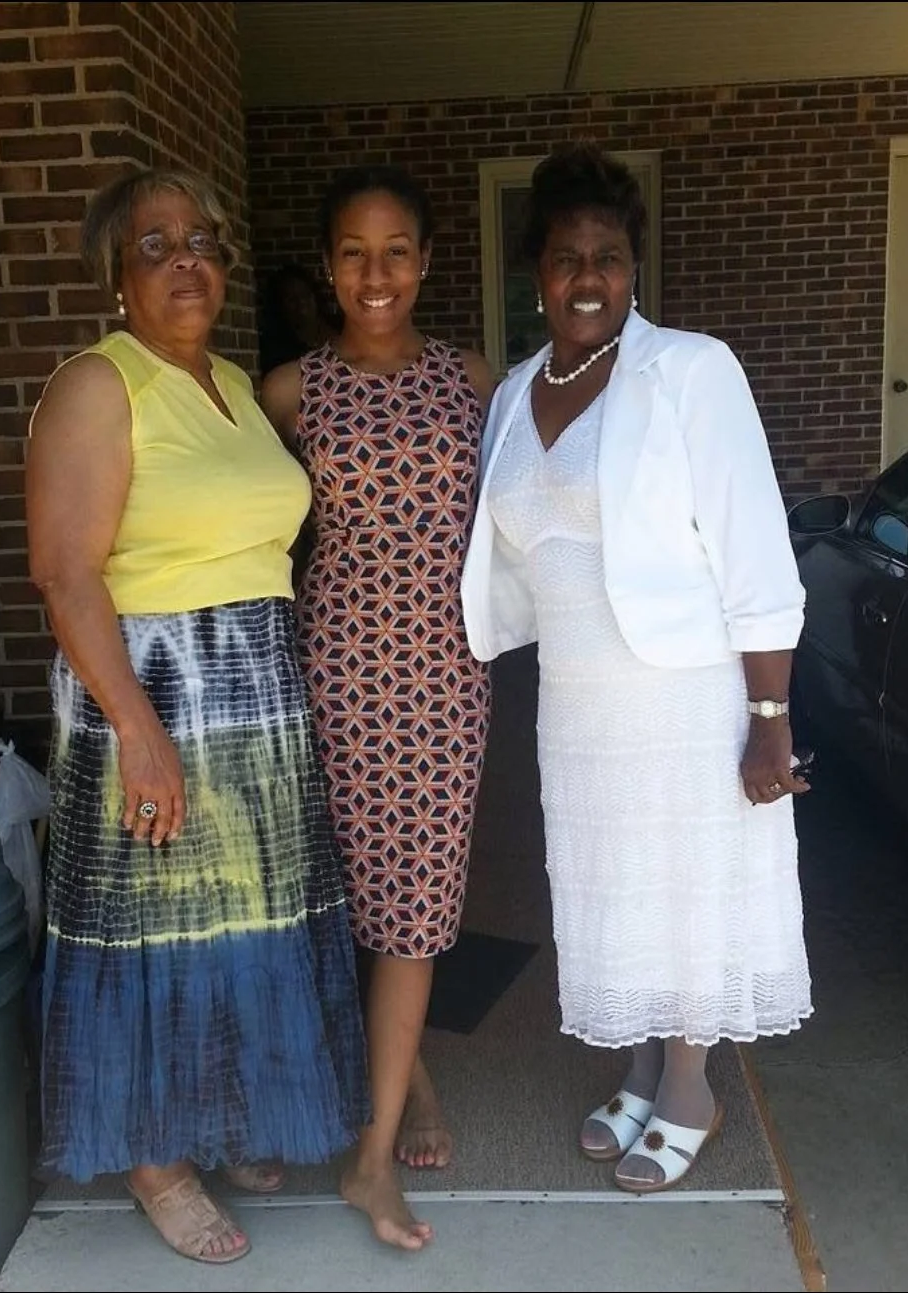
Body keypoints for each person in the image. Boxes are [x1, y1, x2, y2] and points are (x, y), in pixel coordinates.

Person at [25, 165, 370, 1264]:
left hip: (256, 687)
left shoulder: (230, 382)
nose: (188, 261)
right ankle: (154, 1160)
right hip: (155, 685)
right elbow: (65, 573)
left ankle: (216, 1115)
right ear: (116, 277)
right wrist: (137, 730)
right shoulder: (97, 383)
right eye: (157, 244)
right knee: (144, 928)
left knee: (238, 916)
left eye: (203, 242)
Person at [460, 142, 813, 1194]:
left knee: (684, 885)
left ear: (633, 269)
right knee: (612, 884)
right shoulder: (515, 394)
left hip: (686, 694)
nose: (587, 278)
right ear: (537, 273)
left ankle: (694, 1083)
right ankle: (644, 1058)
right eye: (566, 258)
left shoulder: (690, 372)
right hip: (577, 701)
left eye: (607, 257)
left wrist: (770, 717)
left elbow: (754, 548)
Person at [261, 165, 495, 1249]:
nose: (375, 272)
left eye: (397, 248)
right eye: (353, 251)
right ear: (326, 266)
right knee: (342, 896)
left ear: (428, 261)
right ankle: (404, 1081)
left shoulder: (474, 382)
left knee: (417, 903)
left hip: (446, 675)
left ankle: (371, 1159)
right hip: (337, 670)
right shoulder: (288, 392)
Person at [258, 262, 334, 376]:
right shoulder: (279, 350)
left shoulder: (339, 326)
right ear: (279, 305)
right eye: (292, 298)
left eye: (305, 294)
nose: (301, 302)